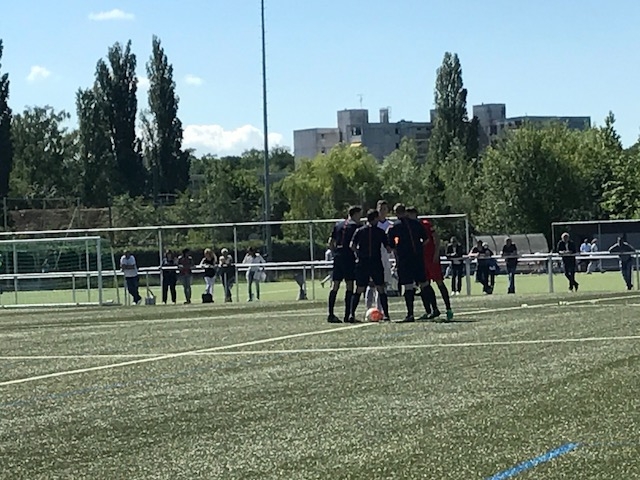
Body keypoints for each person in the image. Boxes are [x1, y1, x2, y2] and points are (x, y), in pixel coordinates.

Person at [387, 203, 432, 323]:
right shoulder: (416, 223)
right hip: (418, 258)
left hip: (405, 260)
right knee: (424, 283)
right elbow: (426, 239)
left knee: (408, 286)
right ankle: (432, 309)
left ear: (396, 213)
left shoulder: (394, 226)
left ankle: (410, 314)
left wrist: (399, 249)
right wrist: (418, 248)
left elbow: (390, 246)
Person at [406, 207, 453, 322]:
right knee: (424, 285)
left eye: (409, 215)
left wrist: (436, 253)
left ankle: (448, 308)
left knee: (439, 282)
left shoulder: (425, 224)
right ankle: (431, 310)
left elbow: (436, 238)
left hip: (431, 258)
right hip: (421, 259)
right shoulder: (410, 227)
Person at [349, 209, 392, 321]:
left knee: (359, 288)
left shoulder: (360, 231)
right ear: (375, 218)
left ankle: (351, 314)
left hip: (363, 262)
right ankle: (386, 314)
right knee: (380, 288)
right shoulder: (380, 232)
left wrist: (359, 253)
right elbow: (388, 248)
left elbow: (352, 245)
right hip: (375, 262)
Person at [327, 206, 362, 323]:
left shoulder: (338, 225)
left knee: (335, 285)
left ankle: (331, 314)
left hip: (338, 257)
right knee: (350, 285)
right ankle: (348, 315)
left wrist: (334, 253)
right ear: (355, 214)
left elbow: (330, 242)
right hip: (348, 257)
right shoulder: (356, 227)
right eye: (359, 214)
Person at [365, 200, 393, 310]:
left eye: (385, 209)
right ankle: (368, 309)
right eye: (381, 209)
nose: (383, 211)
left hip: (385, 258)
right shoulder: (370, 225)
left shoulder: (390, 225)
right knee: (371, 284)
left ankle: (379, 310)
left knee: (382, 285)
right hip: (373, 256)